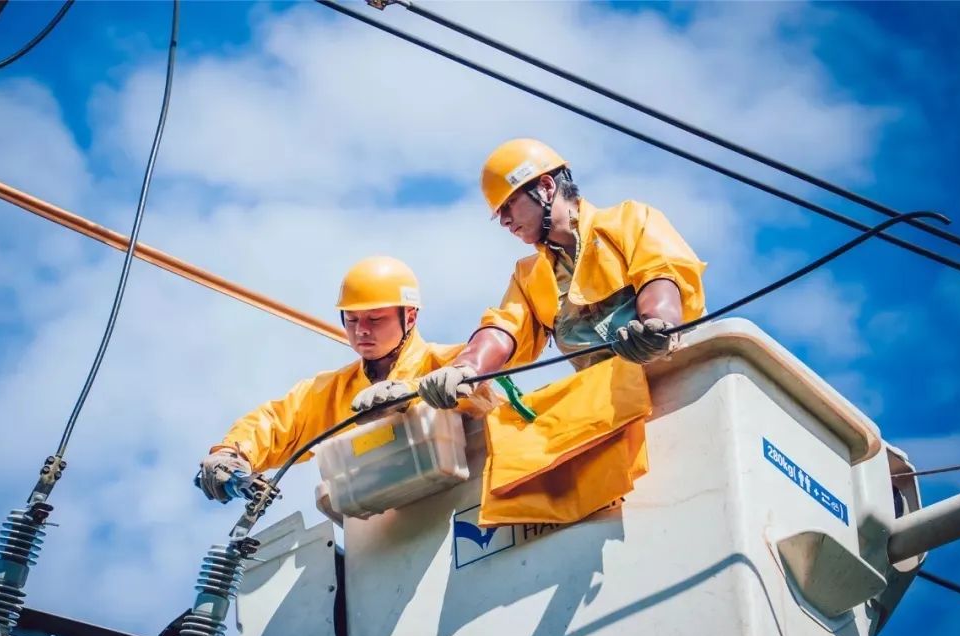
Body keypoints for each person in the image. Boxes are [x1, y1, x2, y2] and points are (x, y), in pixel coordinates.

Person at [408, 138, 708, 411]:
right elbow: (505, 329)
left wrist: (658, 329)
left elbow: (662, 276)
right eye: (499, 212)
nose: (504, 221)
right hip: (613, 408)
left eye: (509, 204)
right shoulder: (530, 276)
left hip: (681, 386)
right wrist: (466, 369)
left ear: (547, 188)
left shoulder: (629, 221)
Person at [195, 256, 463, 502]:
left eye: (375, 319)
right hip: (376, 530)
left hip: (457, 510)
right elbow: (278, 421)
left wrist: (411, 393)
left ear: (410, 317)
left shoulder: (447, 363)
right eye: (352, 319)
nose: (361, 331)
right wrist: (233, 453)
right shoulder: (334, 391)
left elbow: (485, 397)